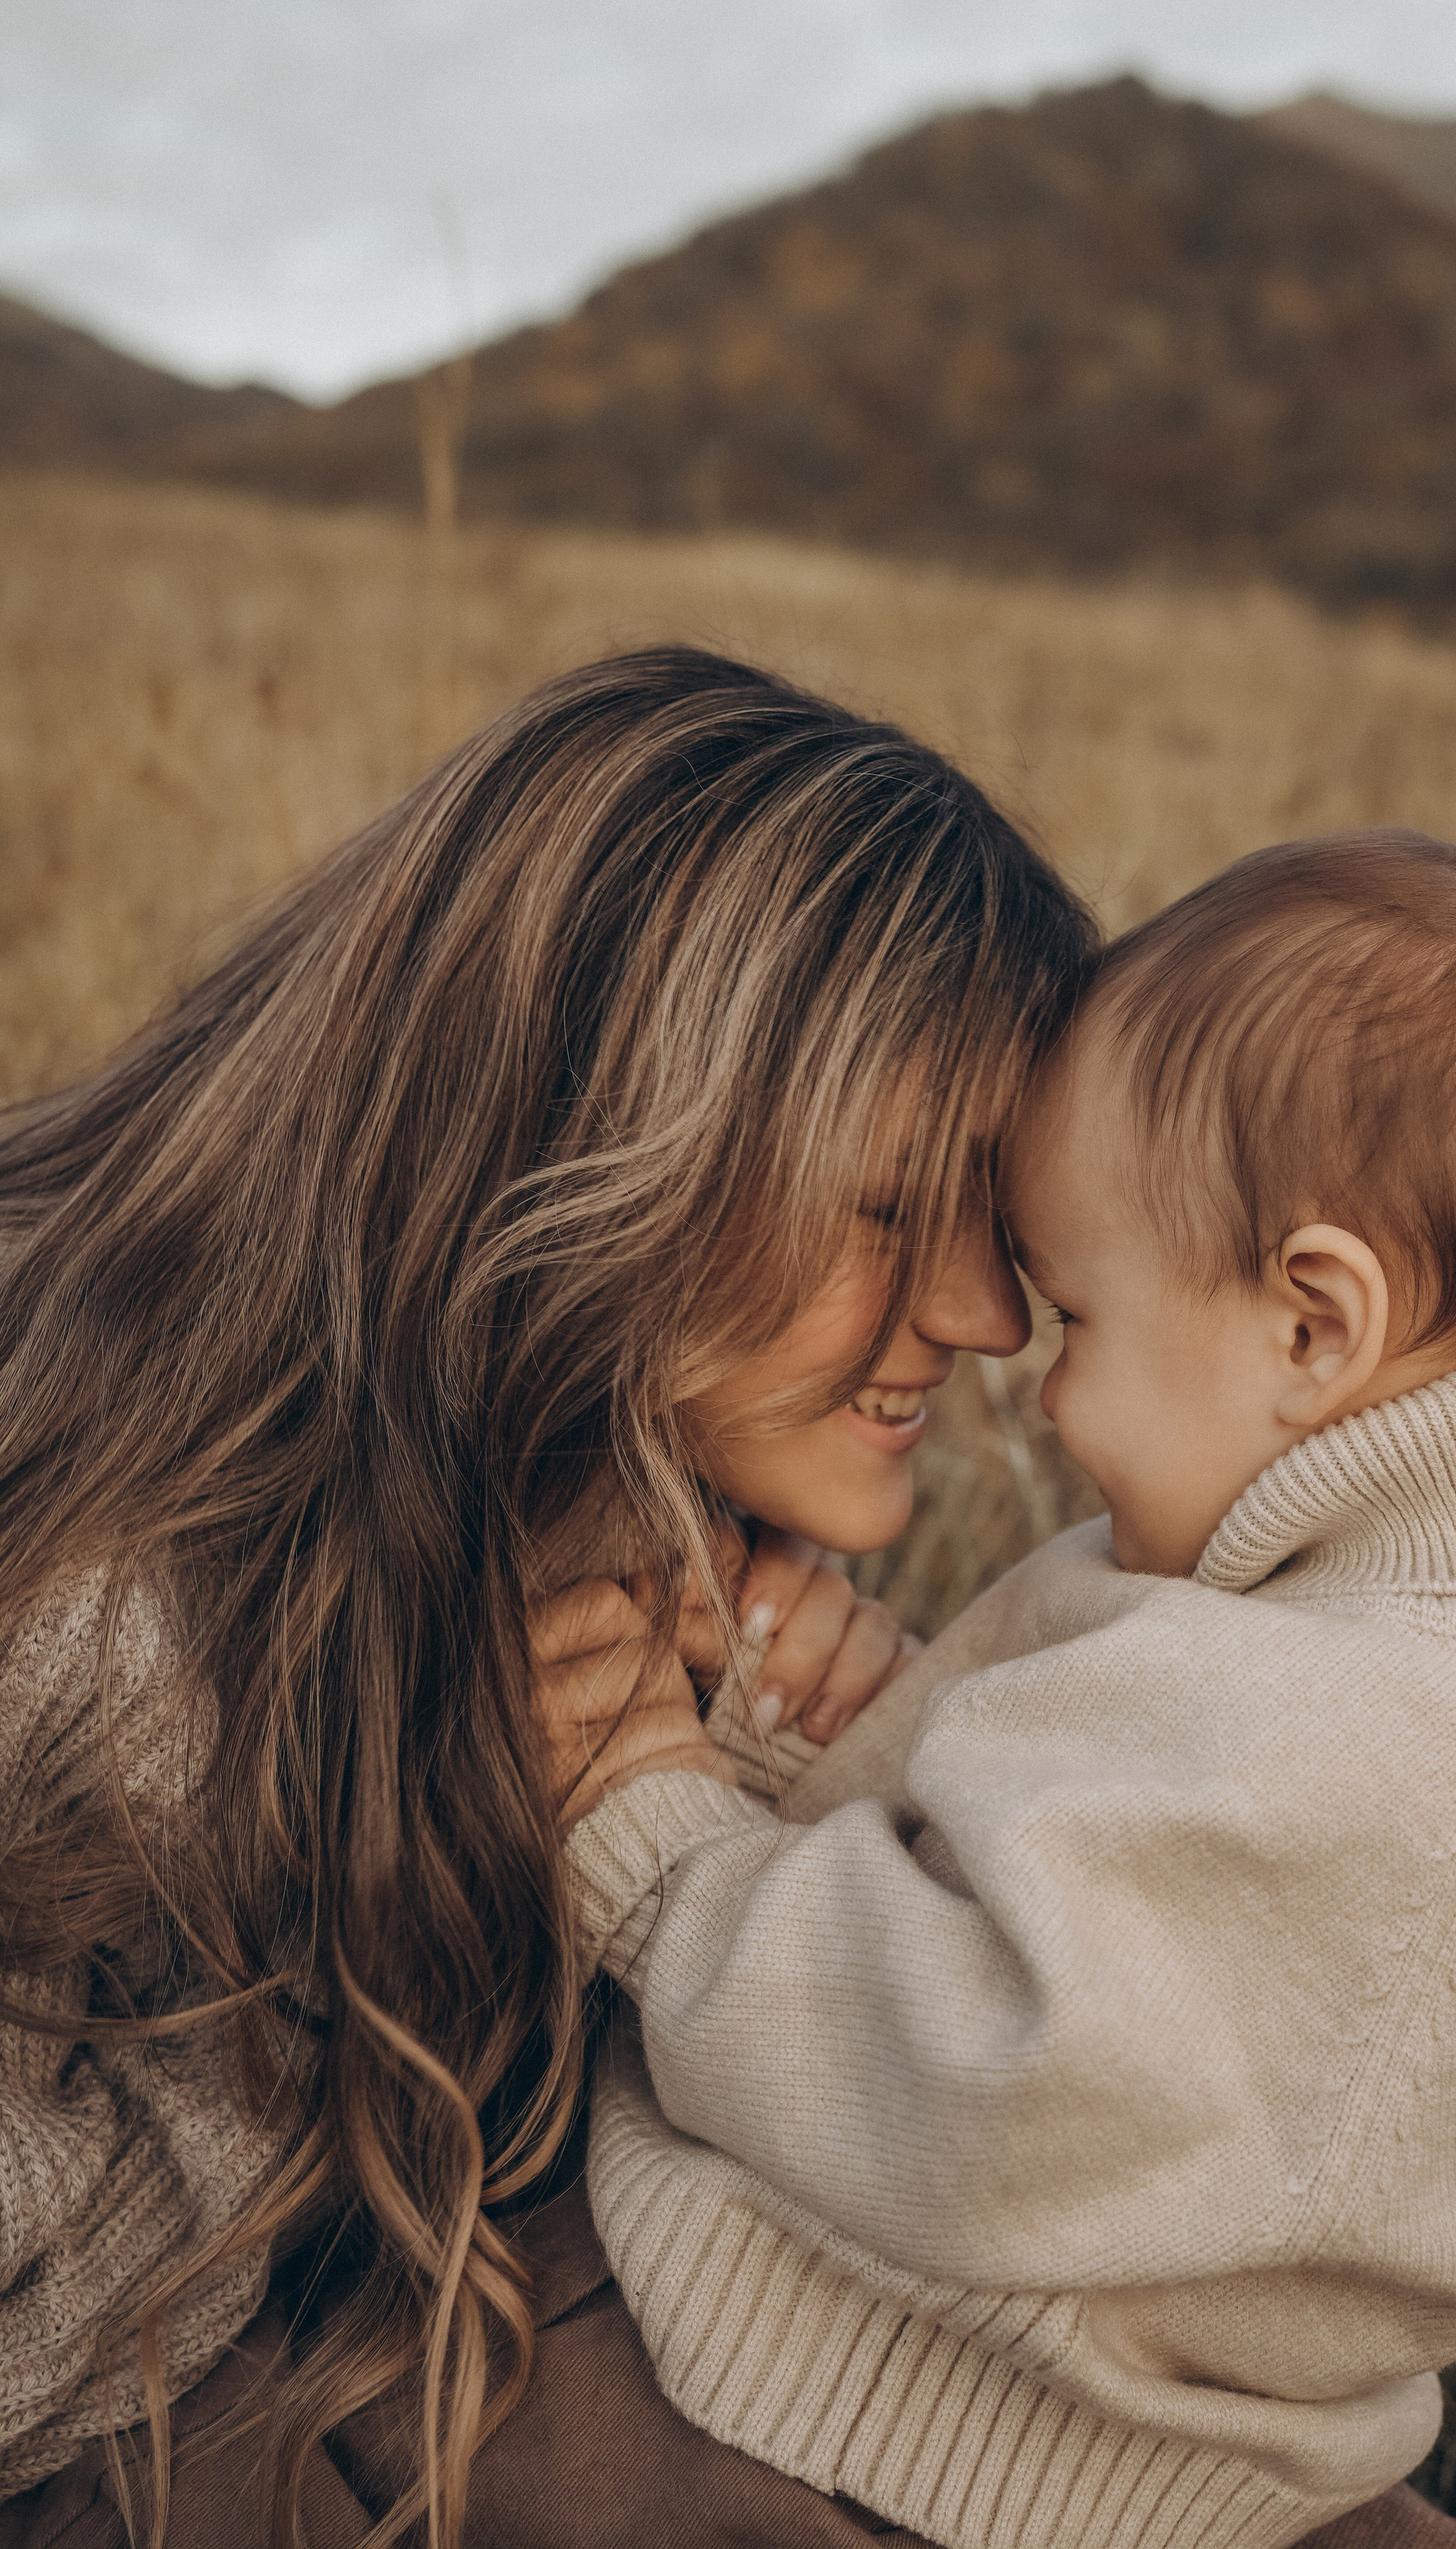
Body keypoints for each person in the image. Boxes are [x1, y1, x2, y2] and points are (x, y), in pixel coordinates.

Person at [0, 648, 1095, 2544]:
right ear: (596, 1132)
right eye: (889, 1206)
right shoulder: (103, 1613)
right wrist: (407, 1929)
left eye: (995, 1218)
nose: (988, 1317)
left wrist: (771, 1775)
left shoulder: (585, 1502)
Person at [569, 832, 1456, 2549]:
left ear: (1314, 1324)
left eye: (1075, 1313)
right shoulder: (1403, 1592)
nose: (1030, 1375)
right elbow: (1081, 1848)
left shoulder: (1363, 1723)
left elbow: (969, 2086)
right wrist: (811, 1722)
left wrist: (655, 1840)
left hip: (913, 2425)